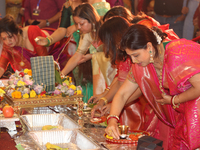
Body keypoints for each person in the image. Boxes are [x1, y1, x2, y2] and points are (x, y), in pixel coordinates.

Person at [105, 24, 200, 149]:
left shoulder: (175, 54)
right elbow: (122, 94)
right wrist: (112, 120)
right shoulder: (140, 66)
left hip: (195, 113)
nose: (133, 61)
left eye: (136, 55)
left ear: (149, 47)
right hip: (176, 117)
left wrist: (173, 100)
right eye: (130, 56)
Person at [60, 3, 116, 97]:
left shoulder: (107, 29)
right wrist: (61, 75)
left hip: (114, 72)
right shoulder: (88, 34)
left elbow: (115, 54)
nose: (78, 27)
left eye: (81, 24)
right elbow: (78, 55)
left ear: (92, 19)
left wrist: (92, 56)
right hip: (101, 72)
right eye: (77, 24)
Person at [0, 15, 71, 77]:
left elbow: (45, 61)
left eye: (10, 37)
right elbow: (1, 67)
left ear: (17, 31)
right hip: (42, 65)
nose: (7, 41)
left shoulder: (32, 32)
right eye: (3, 39)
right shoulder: (8, 45)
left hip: (56, 53)